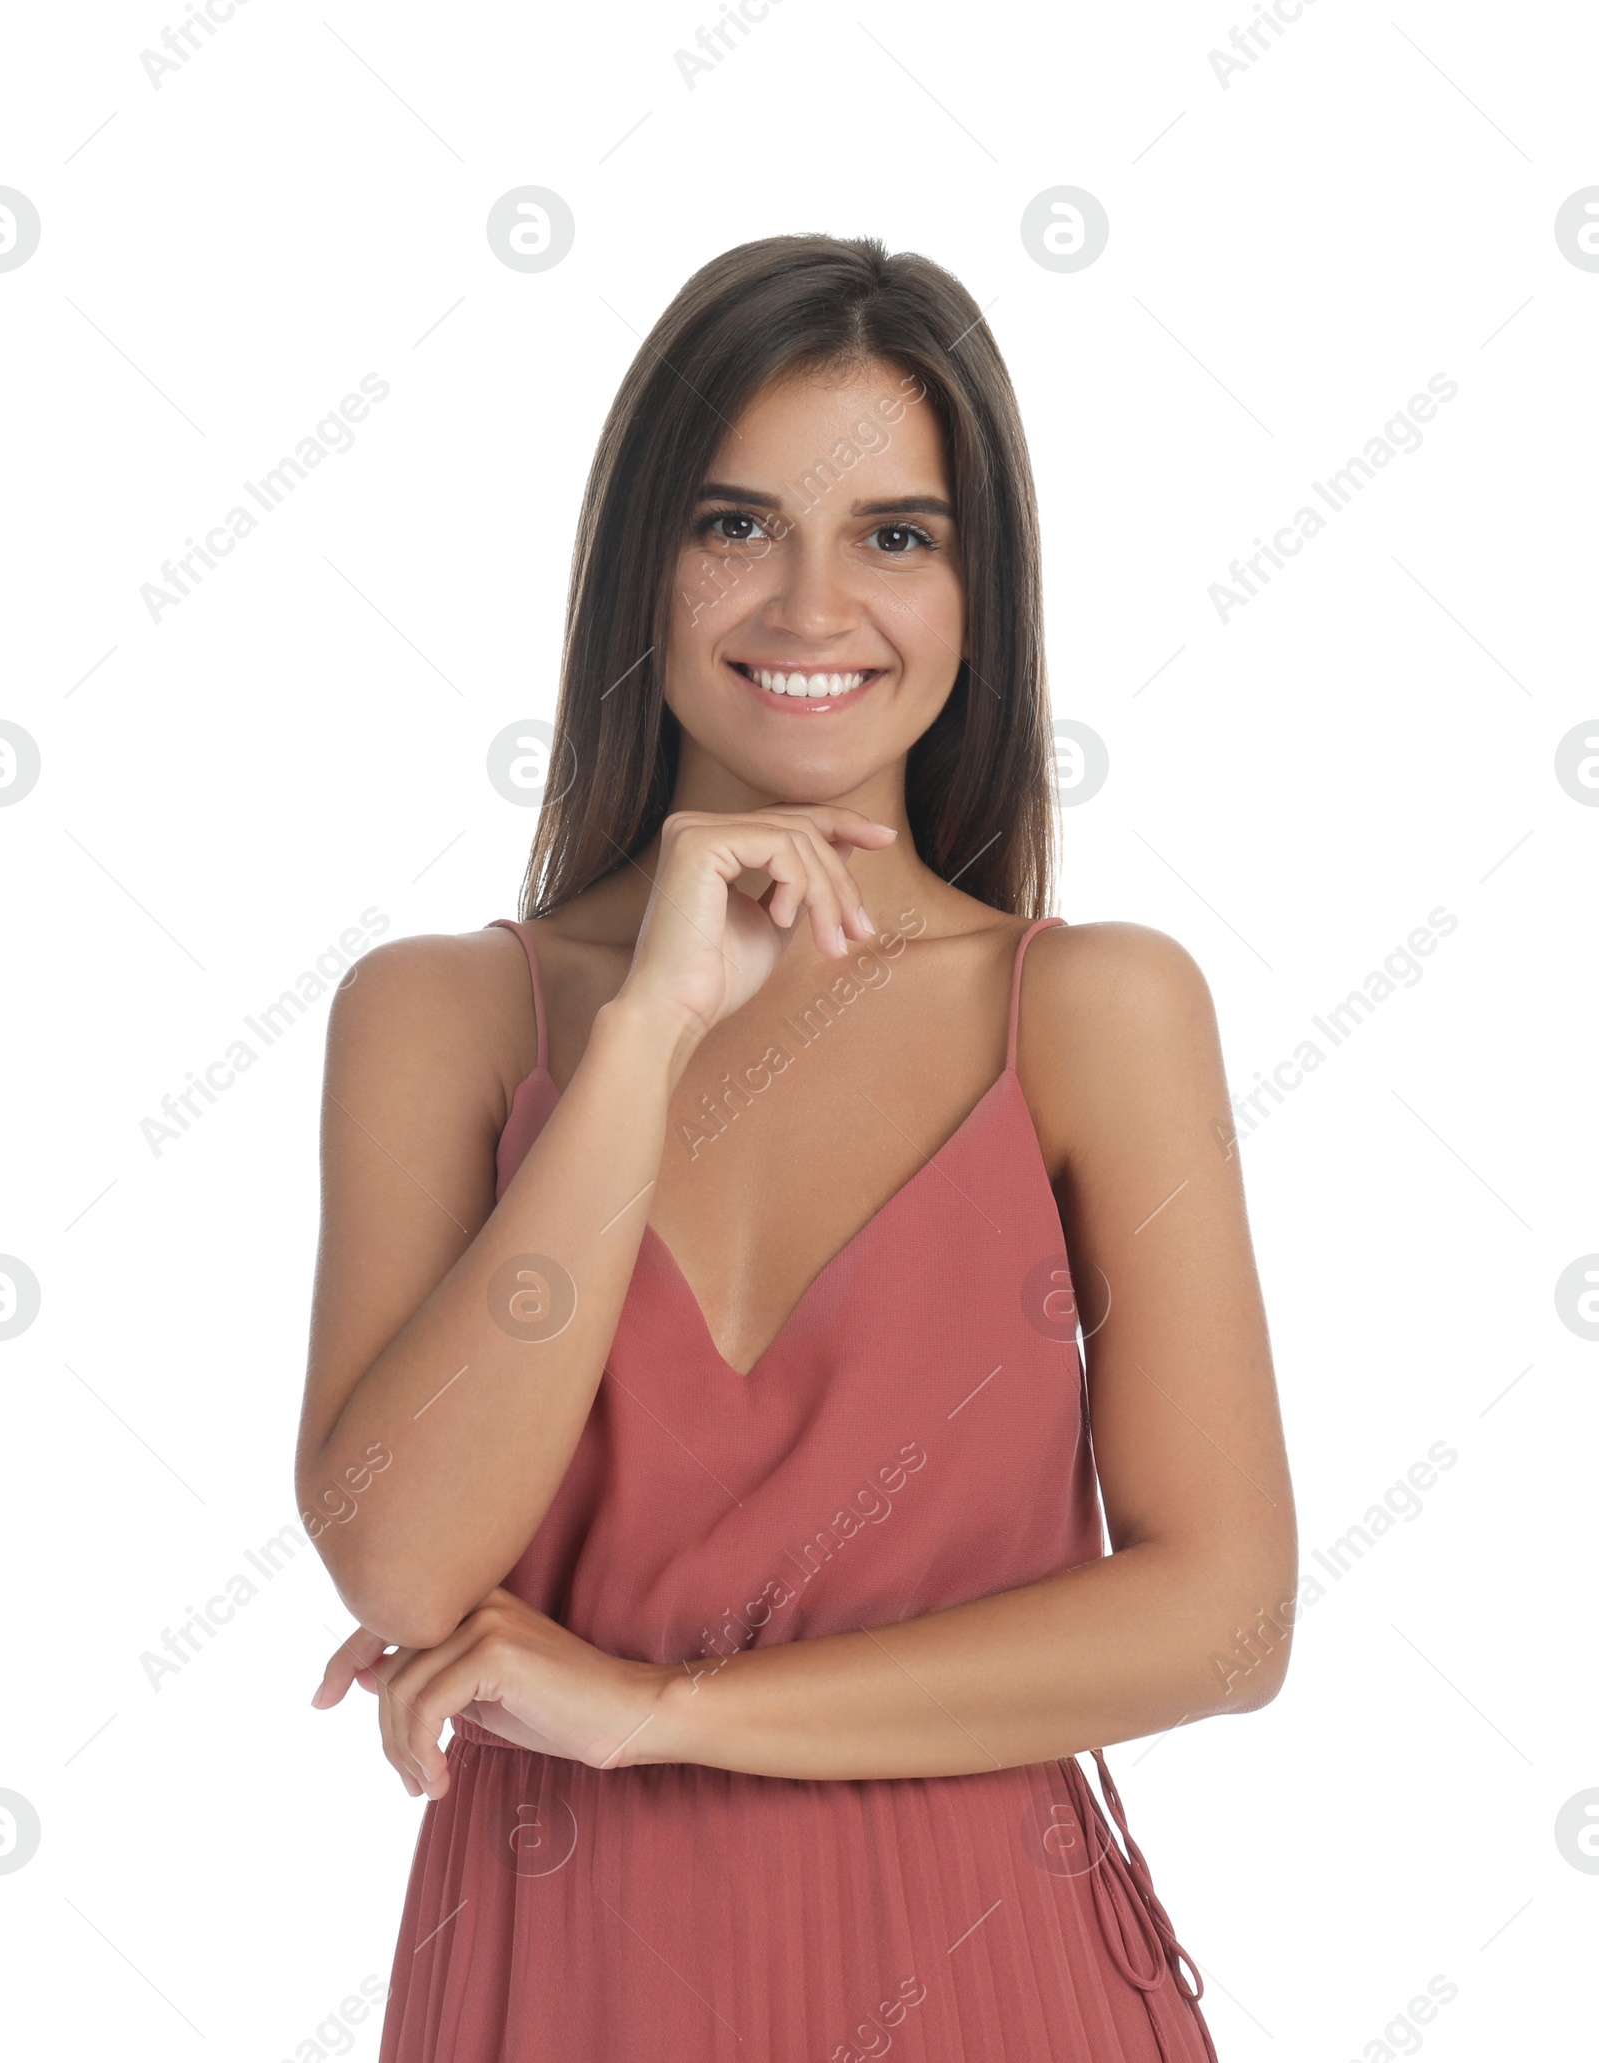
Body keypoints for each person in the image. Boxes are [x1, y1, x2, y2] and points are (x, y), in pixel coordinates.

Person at [296, 233, 1294, 2062]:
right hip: (562, 1987)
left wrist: (659, 1710)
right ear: (638, 576)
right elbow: (406, 1569)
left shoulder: (1093, 1013)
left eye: (896, 535)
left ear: (980, 596)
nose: (811, 604)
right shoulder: (441, 1017)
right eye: (735, 524)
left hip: (996, 1986)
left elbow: (1223, 1622)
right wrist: (649, 1033)